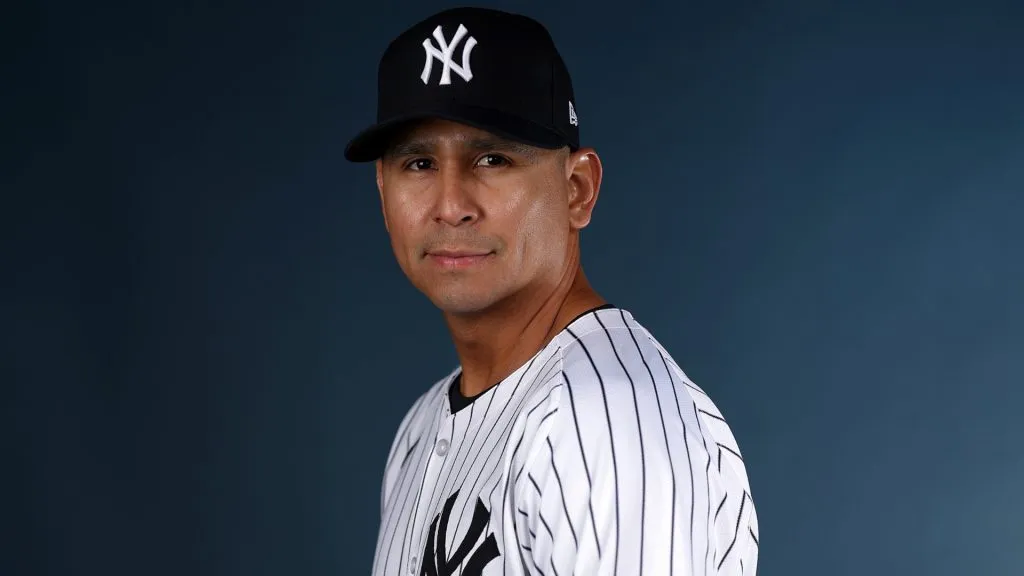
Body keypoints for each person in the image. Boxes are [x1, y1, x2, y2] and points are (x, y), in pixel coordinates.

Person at [345, 6, 758, 575]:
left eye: (493, 159)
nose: (450, 205)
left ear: (577, 189)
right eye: (418, 164)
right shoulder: (421, 426)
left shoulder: (605, 418)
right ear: (382, 193)